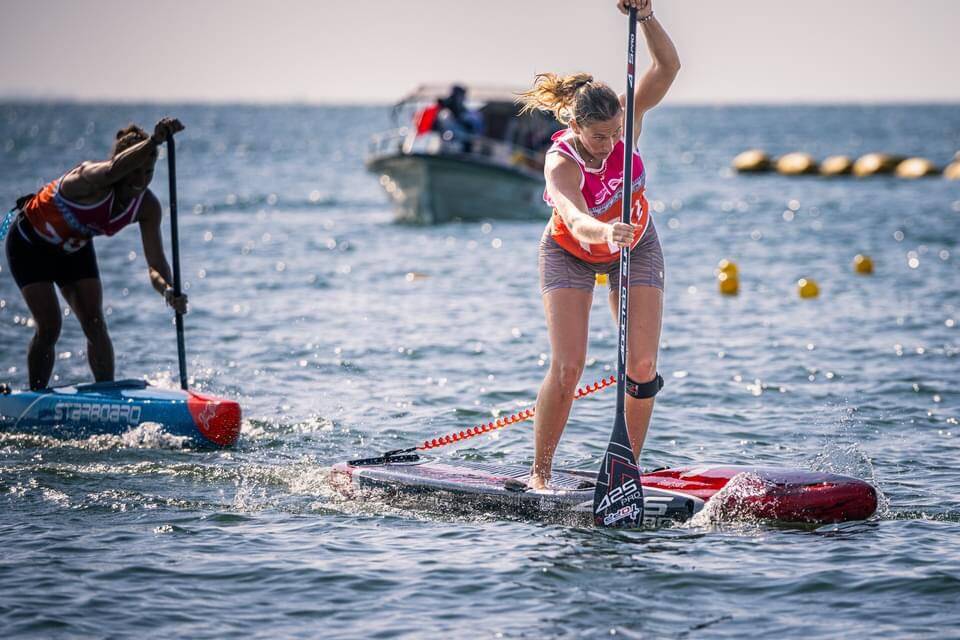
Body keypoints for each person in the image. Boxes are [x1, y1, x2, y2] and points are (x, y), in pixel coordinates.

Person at [517, 0, 680, 489]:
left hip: (637, 244)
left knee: (643, 365)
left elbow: (668, 67)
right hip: (571, 251)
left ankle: (623, 468)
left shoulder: (626, 119)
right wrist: (605, 231)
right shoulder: (561, 160)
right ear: (575, 127)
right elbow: (572, 215)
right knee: (569, 368)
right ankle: (540, 475)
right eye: (598, 136)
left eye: (615, 134)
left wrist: (647, 16)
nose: (610, 144)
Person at [3, 117, 188, 390]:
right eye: (135, 170)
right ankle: (36, 398)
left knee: (95, 323)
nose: (141, 180)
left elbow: (156, 266)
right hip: (31, 244)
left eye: (148, 172)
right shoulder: (89, 177)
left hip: (73, 248)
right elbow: (114, 169)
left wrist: (169, 290)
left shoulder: (147, 207)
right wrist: (154, 141)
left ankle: (107, 396)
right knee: (50, 325)